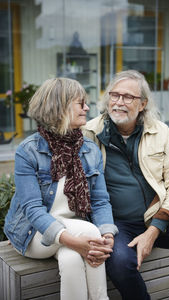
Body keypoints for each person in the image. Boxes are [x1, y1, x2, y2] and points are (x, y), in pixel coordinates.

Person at [83, 70, 169, 300]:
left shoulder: (160, 131)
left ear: (143, 103)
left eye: (128, 97)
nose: (118, 102)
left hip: (157, 216)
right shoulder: (90, 133)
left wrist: (153, 231)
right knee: (119, 263)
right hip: (117, 224)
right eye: (114, 95)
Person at [4, 77, 118, 300]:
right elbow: (32, 209)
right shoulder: (28, 151)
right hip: (33, 233)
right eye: (80, 102)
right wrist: (78, 239)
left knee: (72, 259)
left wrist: (107, 234)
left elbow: (100, 200)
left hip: (75, 230)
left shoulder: (89, 149)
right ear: (60, 107)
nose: (87, 107)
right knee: (89, 234)